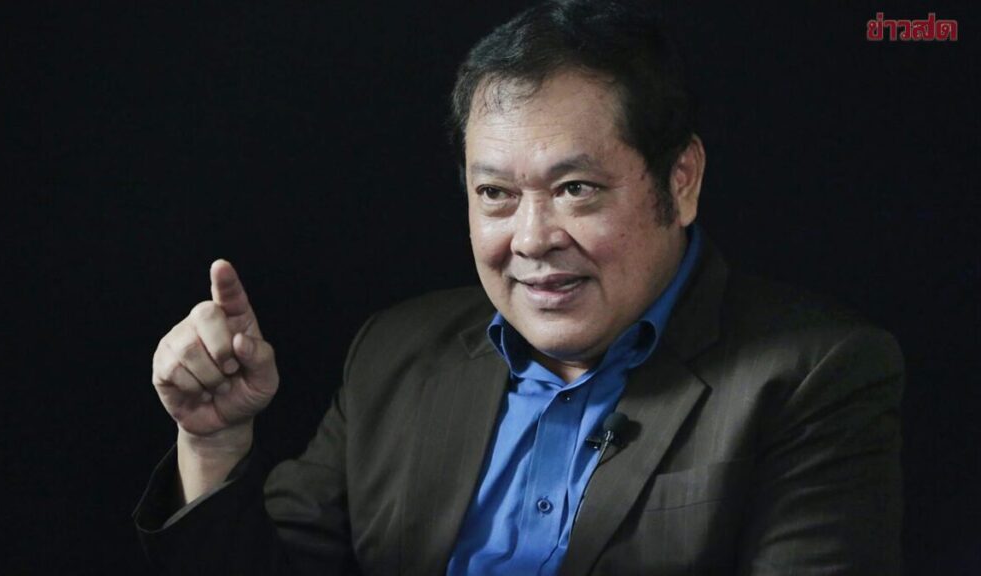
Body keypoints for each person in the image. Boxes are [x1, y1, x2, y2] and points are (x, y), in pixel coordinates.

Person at [135, 1, 904, 574]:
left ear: (682, 180)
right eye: (496, 195)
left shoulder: (815, 376)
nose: (531, 239)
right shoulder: (395, 354)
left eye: (575, 189)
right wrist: (213, 443)